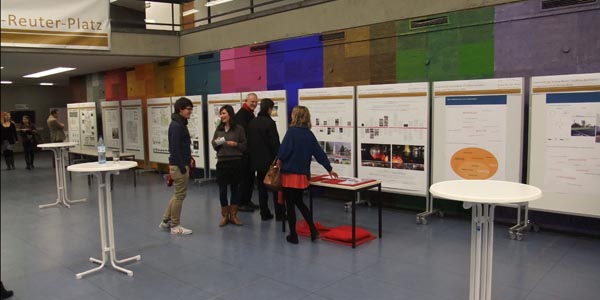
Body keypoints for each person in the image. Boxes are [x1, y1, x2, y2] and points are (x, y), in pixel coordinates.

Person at [278, 106, 338, 244]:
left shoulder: (291, 133)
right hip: (302, 176)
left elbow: (283, 153)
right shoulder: (309, 134)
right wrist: (329, 169)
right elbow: (319, 153)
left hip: (289, 174)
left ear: (295, 116)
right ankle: (313, 231)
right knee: (300, 203)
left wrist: (279, 160)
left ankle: (293, 235)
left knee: (290, 206)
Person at [159, 97, 194, 235]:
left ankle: (166, 220)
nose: (190, 112)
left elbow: (182, 146)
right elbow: (175, 148)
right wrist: (182, 166)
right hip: (179, 165)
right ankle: (175, 225)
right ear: (181, 109)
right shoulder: (176, 125)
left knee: (177, 195)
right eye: (188, 109)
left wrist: (189, 158)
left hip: (181, 163)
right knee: (180, 196)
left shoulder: (180, 123)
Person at [247, 98, 284, 221]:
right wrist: (278, 158)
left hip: (257, 161)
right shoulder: (270, 123)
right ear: (269, 109)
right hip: (269, 162)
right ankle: (279, 214)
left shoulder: (252, 122)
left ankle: (264, 213)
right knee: (275, 187)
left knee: (261, 189)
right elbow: (274, 143)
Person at [212, 105, 247, 226]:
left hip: (235, 162)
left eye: (224, 113)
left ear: (230, 115)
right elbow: (214, 144)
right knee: (222, 190)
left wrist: (236, 144)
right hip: (222, 162)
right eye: (221, 113)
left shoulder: (239, 129)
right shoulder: (219, 129)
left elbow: (244, 146)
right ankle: (224, 215)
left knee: (235, 189)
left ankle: (233, 215)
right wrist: (218, 142)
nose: (222, 116)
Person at [235, 93, 259, 212]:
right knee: (244, 178)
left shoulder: (249, 113)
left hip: (250, 152)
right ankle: (240, 203)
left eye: (255, 102)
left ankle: (247, 201)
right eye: (252, 102)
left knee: (249, 178)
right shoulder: (242, 114)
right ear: (246, 101)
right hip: (243, 153)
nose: (254, 104)